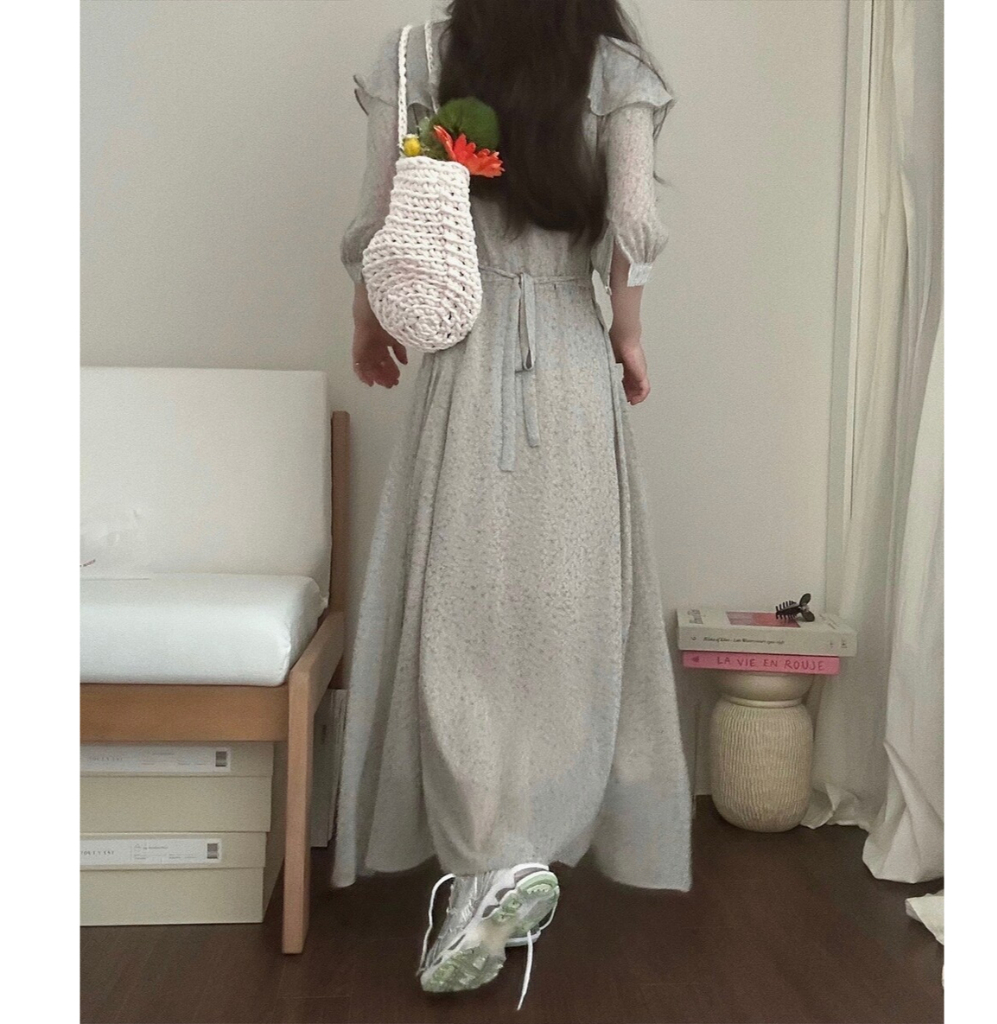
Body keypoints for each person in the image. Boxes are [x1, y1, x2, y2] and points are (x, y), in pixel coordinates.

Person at [333, 0, 693, 1008]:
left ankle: (486, 863)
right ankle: (514, 857)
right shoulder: (615, 69)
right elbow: (632, 229)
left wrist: (367, 319)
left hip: (464, 357)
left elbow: (382, 222)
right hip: (571, 365)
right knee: (565, 621)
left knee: (460, 620)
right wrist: (627, 336)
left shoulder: (420, 55)